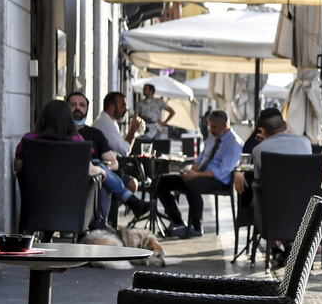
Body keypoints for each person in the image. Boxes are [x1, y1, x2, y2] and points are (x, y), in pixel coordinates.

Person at [155, 109, 242, 239]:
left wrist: (195, 176)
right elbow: (201, 158)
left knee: (192, 184)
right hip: (200, 175)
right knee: (161, 182)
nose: (211, 130)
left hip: (220, 180)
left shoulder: (234, 143)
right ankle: (177, 220)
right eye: (210, 126)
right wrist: (191, 171)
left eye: (214, 127)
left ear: (225, 125)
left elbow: (222, 171)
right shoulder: (213, 137)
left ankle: (196, 226)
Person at [64, 92, 148, 220]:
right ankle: (127, 204)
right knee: (100, 172)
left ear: (87, 108)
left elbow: (114, 162)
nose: (77, 108)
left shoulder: (95, 134)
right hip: (69, 180)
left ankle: (103, 224)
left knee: (104, 180)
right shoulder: (63, 135)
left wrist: (101, 171)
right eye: (73, 105)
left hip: (95, 179)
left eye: (82, 105)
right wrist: (133, 130)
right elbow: (125, 150)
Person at [93, 91, 145, 157]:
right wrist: (133, 129)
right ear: (112, 107)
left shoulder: (107, 120)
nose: (126, 109)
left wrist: (135, 131)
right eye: (123, 105)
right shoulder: (107, 123)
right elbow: (125, 150)